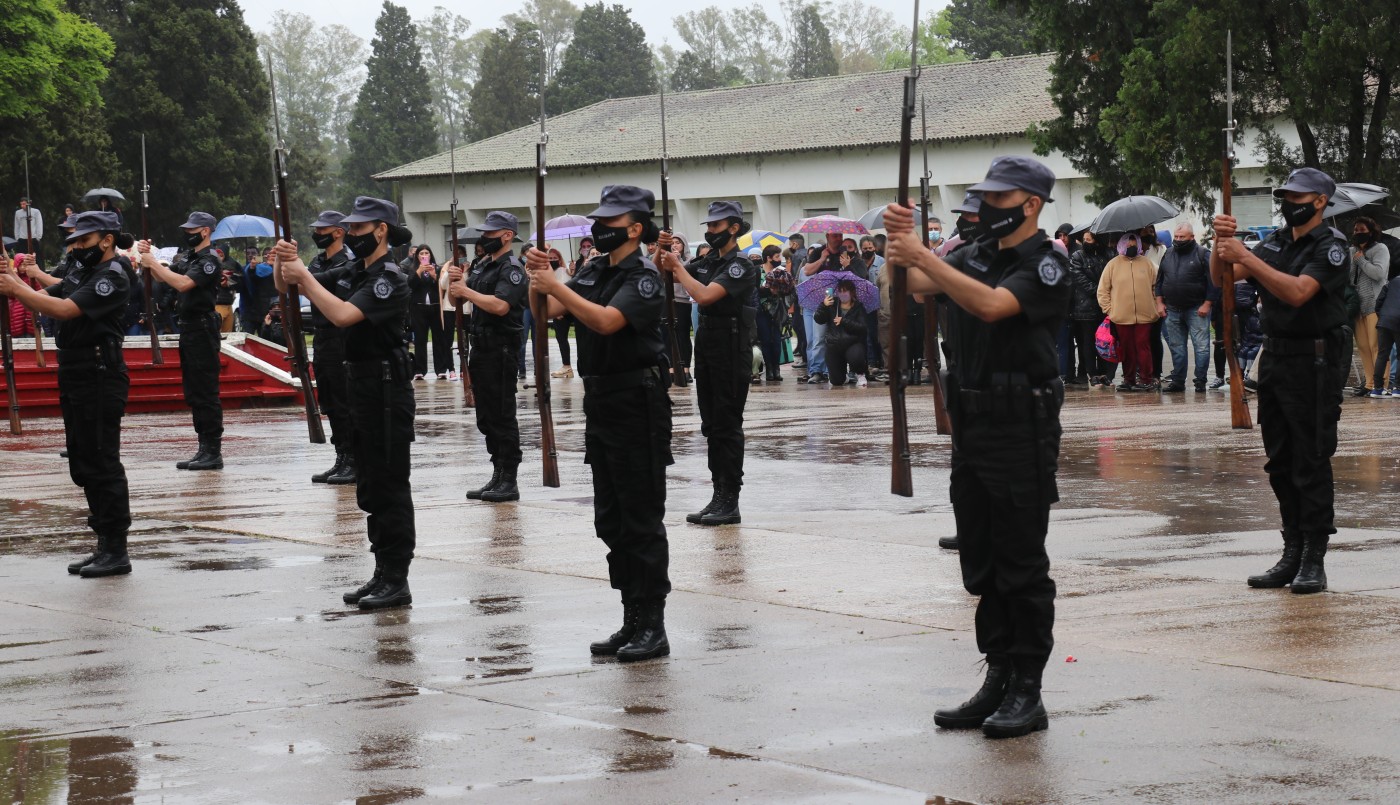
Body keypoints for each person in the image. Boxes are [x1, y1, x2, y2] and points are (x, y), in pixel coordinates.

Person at [884, 155, 1069, 739]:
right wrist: (897, 247)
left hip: (1021, 426)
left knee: (1021, 563)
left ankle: (1028, 690)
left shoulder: (1047, 263)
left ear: (1031, 204)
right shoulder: (974, 254)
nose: (986, 207)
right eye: (984, 196)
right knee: (982, 562)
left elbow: (992, 306)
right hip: (973, 424)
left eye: (999, 197)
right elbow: (908, 289)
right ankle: (998, 675)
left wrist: (923, 258)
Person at [522, 184, 673, 662]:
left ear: (634, 228)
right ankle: (631, 616)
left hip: (637, 401)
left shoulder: (643, 276)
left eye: (610, 222)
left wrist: (556, 286)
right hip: (602, 401)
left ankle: (653, 624)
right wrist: (536, 278)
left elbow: (607, 322)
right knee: (611, 518)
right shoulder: (593, 269)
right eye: (599, 220)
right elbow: (546, 311)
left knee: (640, 517)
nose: (599, 228)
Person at [273, 196, 417, 610]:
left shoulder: (389, 277)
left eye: (358, 228)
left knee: (389, 486)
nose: (352, 234)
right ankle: (382, 572)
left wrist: (303, 275)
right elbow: (289, 287)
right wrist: (286, 263)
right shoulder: (356, 270)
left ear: (381, 230)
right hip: (361, 388)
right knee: (369, 486)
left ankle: (397, 579)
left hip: (386, 392)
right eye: (349, 228)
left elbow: (341, 315)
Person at [1213, 167, 1349, 595]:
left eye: (1297, 197)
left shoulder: (1330, 246)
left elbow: (1298, 292)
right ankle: (1291, 551)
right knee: (1280, 462)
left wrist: (1246, 256)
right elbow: (1223, 279)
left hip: (1315, 362)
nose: (1289, 203)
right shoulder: (1274, 241)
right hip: (1275, 359)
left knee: (1310, 460)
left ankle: (1313, 558)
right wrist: (1221, 244)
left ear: (1320, 201)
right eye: (1286, 196)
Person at [0, 212, 132, 576]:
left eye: (84, 241)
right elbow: (42, 296)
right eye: (74, 242)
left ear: (107, 239)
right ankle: (103, 542)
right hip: (75, 371)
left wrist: (16, 288)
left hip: (99, 373)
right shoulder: (82, 271)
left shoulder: (112, 275)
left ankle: (116, 549)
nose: (76, 247)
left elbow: (64, 309)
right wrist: (13, 278)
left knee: (102, 461)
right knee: (83, 460)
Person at [658, 201, 758, 526]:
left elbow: (703, 296)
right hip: (707, 345)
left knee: (727, 424)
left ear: (733, 227)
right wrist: (662, 254)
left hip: (731, 348)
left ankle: (730, 499)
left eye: (716, 225)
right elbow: (666, 276)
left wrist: (677, 267)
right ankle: (718, 494)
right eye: (709, 225)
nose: (710, 230)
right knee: (711, 425)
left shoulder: (741, 265)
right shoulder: (707, 261)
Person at [448, 211, 528, 503]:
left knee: (502, 414)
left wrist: (465, 290)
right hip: (480, 348)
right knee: (486, 417)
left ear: (507, 235)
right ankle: (497, 472)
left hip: (501, 349)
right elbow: (456, 299)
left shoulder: (512, 268)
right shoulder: (483, 266)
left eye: (491, 233)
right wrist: (456, 284)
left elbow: (500, 306)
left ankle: (509, 479)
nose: (485, 238)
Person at [138, 212, 225, 470]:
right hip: (188, 328)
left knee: (206, 390)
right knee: (194, 390)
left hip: (203, 328)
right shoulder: (189, 257)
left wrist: (153, 264)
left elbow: (184, 284)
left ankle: (213, 451)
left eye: (192, 230)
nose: (187, 234)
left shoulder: (210, 260)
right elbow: (163, 277)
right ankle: (203, 447)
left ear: (206, 231)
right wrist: (148, 258)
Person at [306, 210, 357, 485]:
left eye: (322, 230)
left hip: (341, 337)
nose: (317, 234)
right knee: (329, 401)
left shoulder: (349, 262)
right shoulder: (317, 262)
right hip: (322, 336)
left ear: (338, 232)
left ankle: (354, 459)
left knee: (344, 399)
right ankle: (341, 456)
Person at [1154, 223, 1217, 393]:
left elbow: (1214, 282)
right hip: (1172, 309)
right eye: (1176, 236)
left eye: (1182, 237)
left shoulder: (1203, 254)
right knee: (1177, 347)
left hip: (1197, 309)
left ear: (1192, 237)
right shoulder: (1168, 253)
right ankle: (1178, 381)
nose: (1178, 239)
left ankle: (1200, 381)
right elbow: (1159, 281)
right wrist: (1159, 302)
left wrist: (1207, 303)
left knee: (1201, 347)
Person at [1097, 232, 1159, 392]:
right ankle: (1129, 379)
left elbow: (1156, 287)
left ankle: (1146, 379)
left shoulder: (1147, 263)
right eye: (1128, 243)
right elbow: (1103, 290)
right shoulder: (1112, 265)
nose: (1131, 246)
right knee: (1127, 348)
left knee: (1143, 347)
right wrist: (1110, 310)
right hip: (1121, 316)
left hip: (1145, 315)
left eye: (1134, 243)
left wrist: (1154, 304)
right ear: (1121, 245)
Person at [1350, 216, 1389, 397]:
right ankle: (1369, 383)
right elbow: (1349, 277)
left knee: (1376, 346)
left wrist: (1361, 260)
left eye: (1362, 230)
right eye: (1356, 230)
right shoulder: (1352, 251)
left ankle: (1382, 384)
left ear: (1371, 232)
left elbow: (1379, 274)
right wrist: (1352, 260)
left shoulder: (1380, 249)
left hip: (1375, 304)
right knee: (1363, 347)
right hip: (1357, 306)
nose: (1358, 233)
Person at [1068, 229, 1111, 386]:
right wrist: (1099, 291)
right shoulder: (1077, 256)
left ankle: (1104, 373)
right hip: (1085, 306)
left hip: (1104, 306)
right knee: (1088, 342)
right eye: (1084, 239)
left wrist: (1105, 293)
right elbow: (1079, 278)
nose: (1086, 242)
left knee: (1104, 340)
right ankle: (1092, 373)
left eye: (1089, 240)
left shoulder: (1107, 255)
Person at [812, 279, 869, 387]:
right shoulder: (832, 304)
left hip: (852, 343)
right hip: (834, 345)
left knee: (856, 357)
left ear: (852, 292)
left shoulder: (858, 307)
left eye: (845, 291)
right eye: (840, 291)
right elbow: (819, 319)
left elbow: (862, 328)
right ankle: (843, 376)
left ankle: (860, 374)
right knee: (836, 381)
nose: (842, 294)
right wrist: (823, 305)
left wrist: (844, 321)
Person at [408, 244, 452, 380]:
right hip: (418, 308)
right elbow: (411, 284)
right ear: (417, 256)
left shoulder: (437, 268)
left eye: (426, 253)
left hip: (435, 307)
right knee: (420, 339)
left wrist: (434, 276)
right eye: (421, 253)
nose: (424, 256)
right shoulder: (413, 269)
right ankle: (420, 370)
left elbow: (442, 286)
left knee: (438, 338)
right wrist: (419, 271)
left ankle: (441, 369)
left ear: (430, 255)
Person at [756, 244, 793, 381]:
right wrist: (768, 290)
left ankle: (777, 369)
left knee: (776, 340)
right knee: (765, 340)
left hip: (777, 310)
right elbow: (753, 290)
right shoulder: (758, 271)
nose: (779, 259)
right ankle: (769, 370)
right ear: (768, 258)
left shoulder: (781, 271)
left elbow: (789, 289)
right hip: (761, 310)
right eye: (777, 256)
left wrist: (783, 288)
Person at [1371, 273, 1400, 395]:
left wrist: (1382, 317)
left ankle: (1377, 388)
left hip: (1384, 322)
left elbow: (1379, 302)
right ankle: (1397, 388)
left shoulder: (1391, 282)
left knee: (1382, 355)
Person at [14, 198, 43, 267]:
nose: (22, 206)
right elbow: (17, 225)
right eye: (21, 204)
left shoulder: (36, 212)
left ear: (28, 203)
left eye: (24, 204)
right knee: (22, 259)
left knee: (36, 259)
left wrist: (38, 237)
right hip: (22, 239)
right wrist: (17, 237)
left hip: (33, 238)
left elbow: (39, 224)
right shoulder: (18, 213)